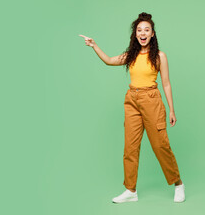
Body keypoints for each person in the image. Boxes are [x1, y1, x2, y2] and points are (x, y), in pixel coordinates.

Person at [79, 12, 185, 203]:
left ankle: (178, 183)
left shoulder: (160, 56)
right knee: (130, 148)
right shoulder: (131, 55)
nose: (142, 33)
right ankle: (130, 190)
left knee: (160, 145)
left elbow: (166, 83)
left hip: (151, 100)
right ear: (135, 34)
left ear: (153, 34)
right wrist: (94, 45)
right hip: (132, 101)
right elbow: (110, 60)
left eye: (147, 30)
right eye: (139, 30)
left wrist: (171, 109)